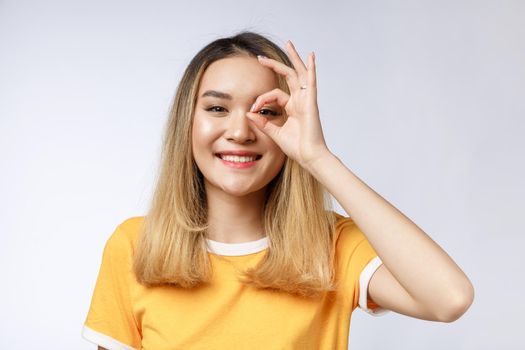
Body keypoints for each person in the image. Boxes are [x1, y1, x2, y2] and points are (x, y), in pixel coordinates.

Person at [81, 31, 475, 350]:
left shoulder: (331, 246)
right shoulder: (136, 244)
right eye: (217, 109)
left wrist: (318, 159)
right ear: (187, 123)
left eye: (265, 111)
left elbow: (449, 298)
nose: (239, 131)